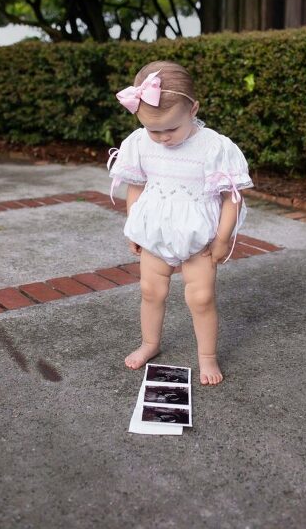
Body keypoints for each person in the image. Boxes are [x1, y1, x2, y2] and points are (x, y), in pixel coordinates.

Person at [107, 60, 254, 385]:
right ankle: (150, 343)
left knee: (201, 297)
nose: (161, 138)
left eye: (170, 129)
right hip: (156, 231)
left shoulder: (213, 146)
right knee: (150, 290)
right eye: (153, 130)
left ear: (193, 110)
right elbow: (137, 186)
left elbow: (232, 196)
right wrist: (134, 226)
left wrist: (222, 238)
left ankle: (207, 357)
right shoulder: (141, 142)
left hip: (198, 238)